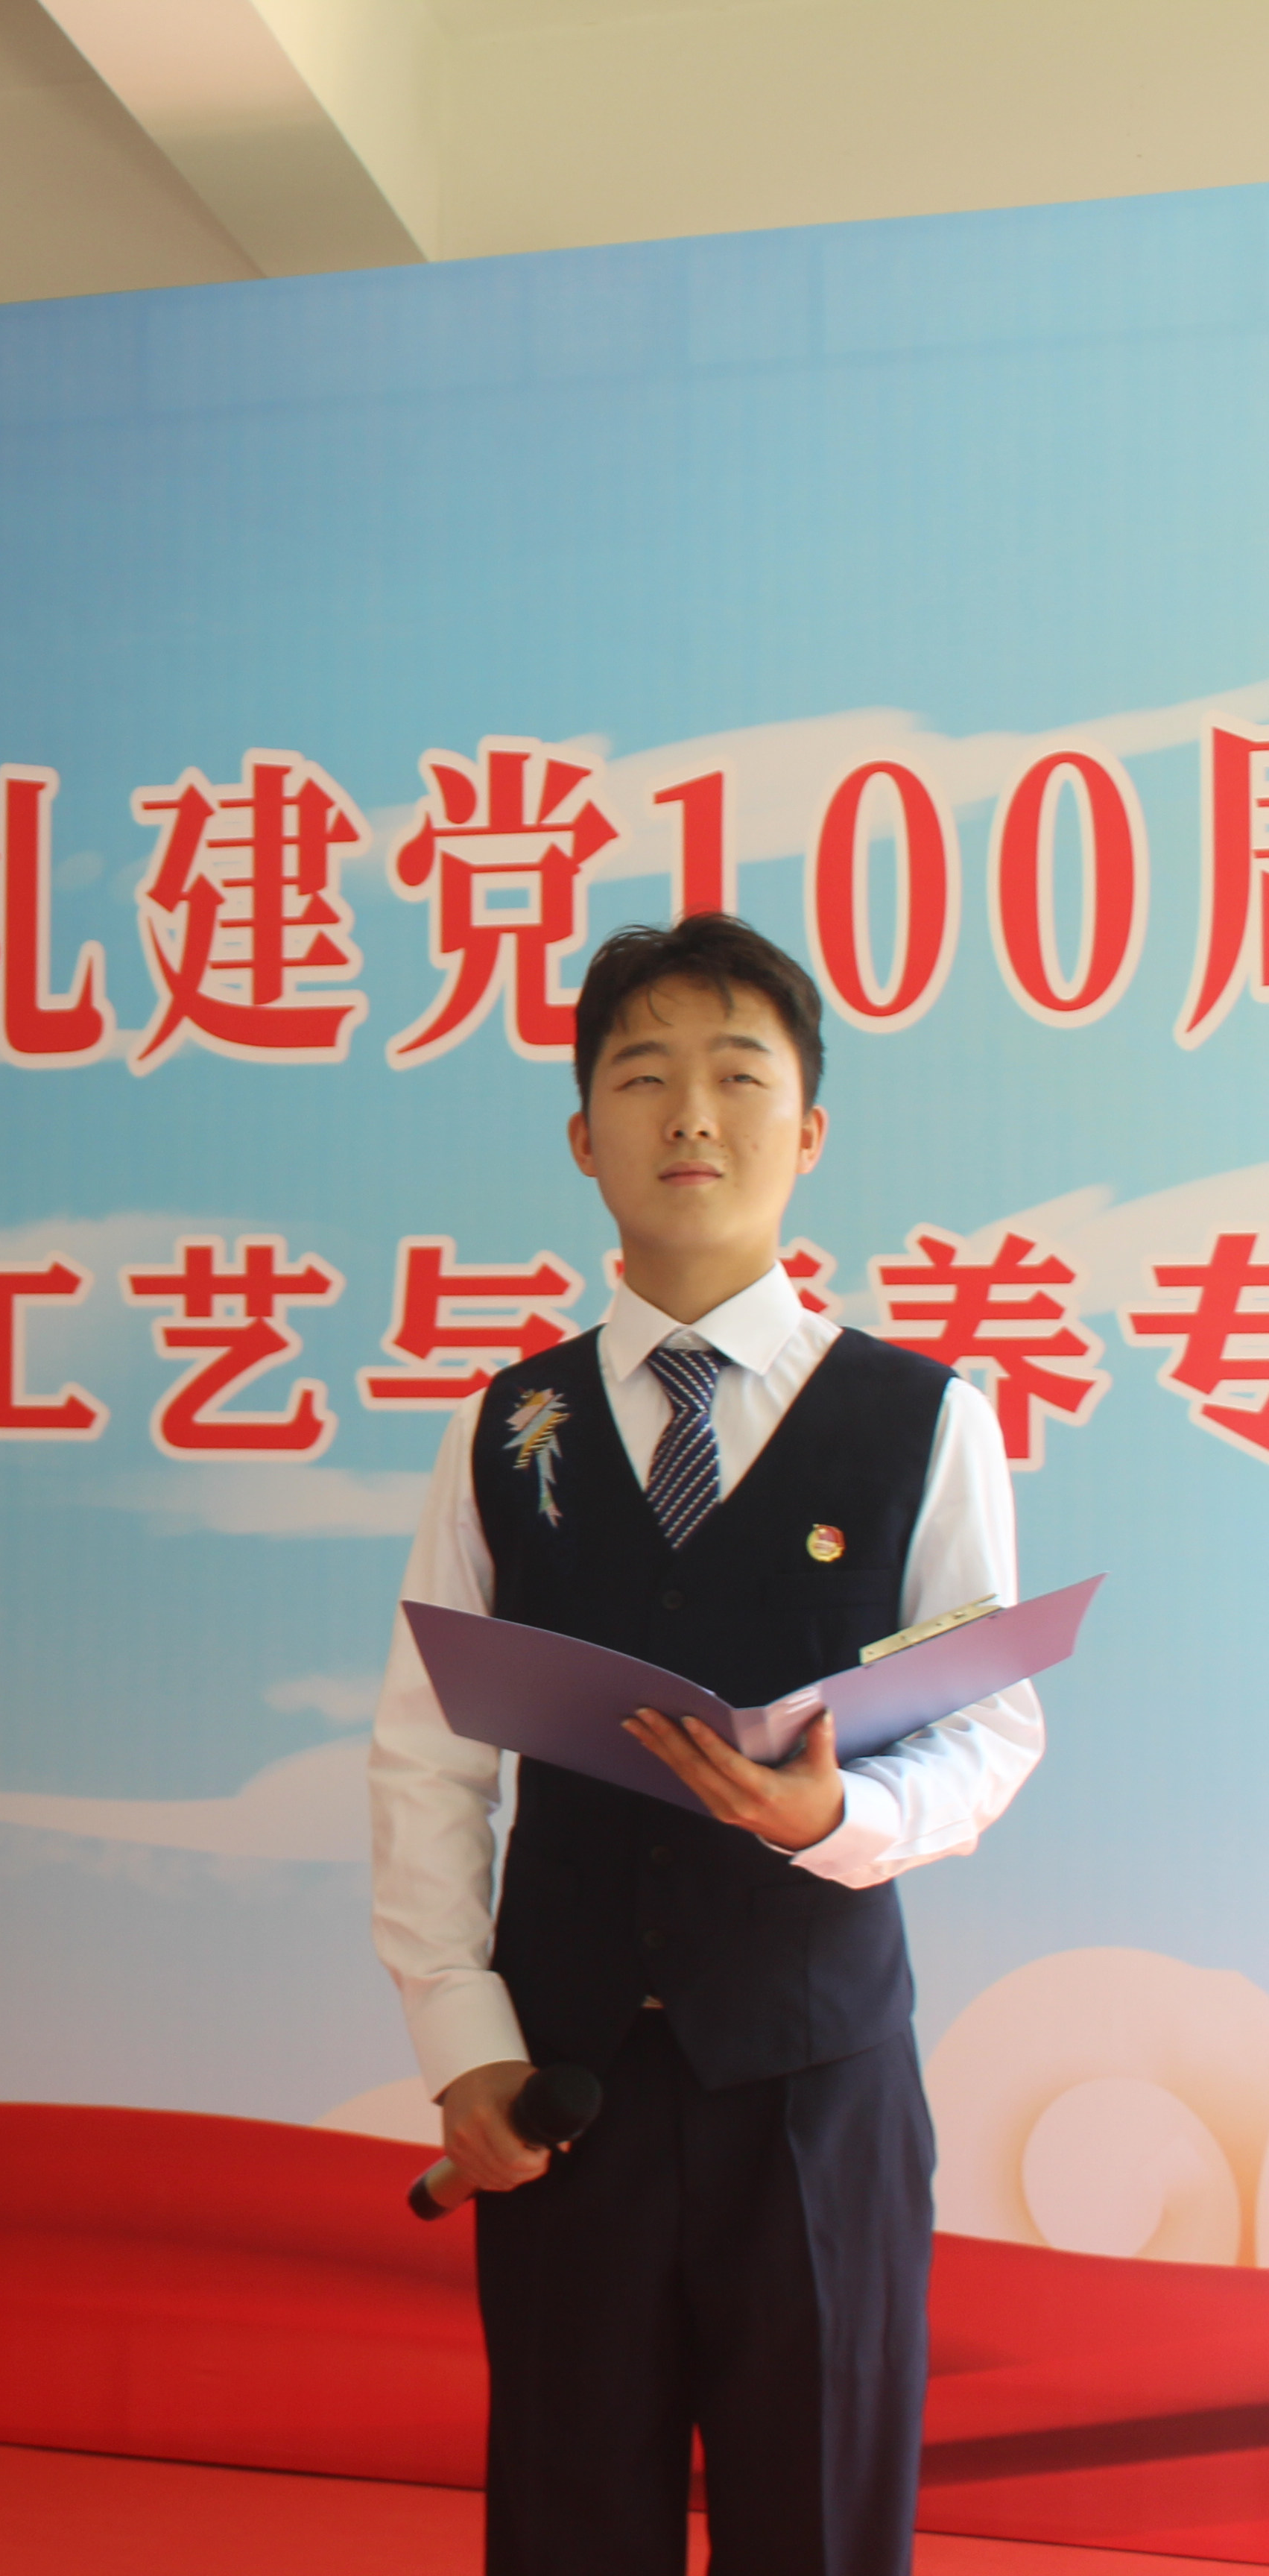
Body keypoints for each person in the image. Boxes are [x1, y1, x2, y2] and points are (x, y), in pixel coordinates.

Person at [367, 915, 1044, 2576]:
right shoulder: (502, 1430)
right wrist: (465, 2045)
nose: (690, 1115)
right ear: (583, 1137)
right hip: (567, 2087)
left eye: (739, 1077)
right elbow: (428, 1757)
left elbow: (990, 1725)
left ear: (807, 1133)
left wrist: (833, 1817)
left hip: (817, 2089)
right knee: (569, 2524)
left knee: (818, 2526)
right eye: (643, 1077)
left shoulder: (923, 1420)